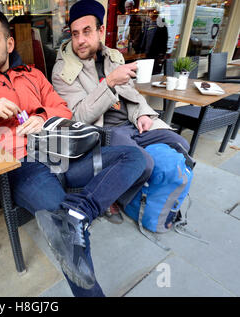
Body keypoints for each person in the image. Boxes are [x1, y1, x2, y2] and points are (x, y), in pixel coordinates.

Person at [0, 6, 147, 297]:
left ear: (9, 43)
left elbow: (63, 111)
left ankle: (80, 212)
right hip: (22, 165)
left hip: (61, 150)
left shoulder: (32, 74)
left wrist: (41, 116)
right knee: (65, 232)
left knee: (134, 157)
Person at [52, 0, 190, 222]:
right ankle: (119, 196)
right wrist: (108, 83)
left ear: (101, 31)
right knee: (144, 162)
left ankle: (150, 194)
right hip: (104, 131)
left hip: (133, 123)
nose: (80, 40)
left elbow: (131, 93)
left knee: (180, 143)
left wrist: (142, 114)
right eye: (75, 34)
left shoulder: (114, 56)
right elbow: (78, 116)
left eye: (87, 32)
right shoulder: (62, 70)